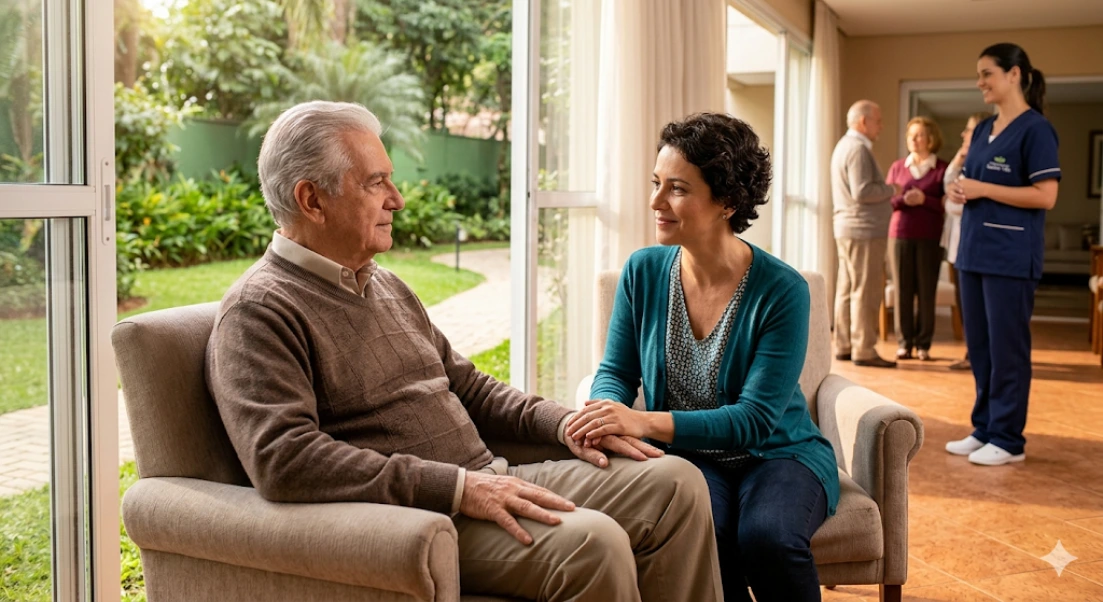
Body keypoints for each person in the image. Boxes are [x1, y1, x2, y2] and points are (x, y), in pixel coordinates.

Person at [205, 101, 723, 602]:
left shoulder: (387, 287)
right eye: (375, 182)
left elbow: (469, 387)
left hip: (493, 477)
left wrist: (565, 424)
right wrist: (457, 488)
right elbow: (285, 459)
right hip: (425, 519)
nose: (397, 199)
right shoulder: (259, 311)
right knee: (591, 545)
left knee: (675, 482)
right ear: (312, 200)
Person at [565, 113, 840, 602]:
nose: (655, 202)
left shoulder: (783, 290)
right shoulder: (643, 271)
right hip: (691, 458)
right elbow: (616, 372)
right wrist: (608, 414)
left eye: (677, 189)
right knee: (698, 535)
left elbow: (755, 420)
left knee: (768, 538)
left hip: (778, 454)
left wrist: (643, 422)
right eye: (656, 184)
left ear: (727, 202)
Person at [945, 43, 1060, 466]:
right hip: (973, 251)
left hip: (1011, 256)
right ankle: (985, 428)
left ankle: (1009, 439)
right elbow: (970, 181)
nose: (980, 83)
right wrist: (962, 188)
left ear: (1014, 75)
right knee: (980, 346)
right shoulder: (981, 130)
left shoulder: (1037, 130)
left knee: (1007, 347)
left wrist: (983, 188)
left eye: (987, 73)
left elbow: (1046, 196)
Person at [831, 100, 903, 368]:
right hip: (863, 230)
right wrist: (892, 189)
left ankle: (844, 345)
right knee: (866, 291)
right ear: (863, 121)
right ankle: (864, 349)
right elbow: (862, 192)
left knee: (848, 289)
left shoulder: (843, 146)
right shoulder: (858, 149)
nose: (881, 126)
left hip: (848, 228)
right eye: (878, 121)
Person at [886, 117, 948, 361]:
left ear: (930, 139)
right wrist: (904, 200)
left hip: (930, 237)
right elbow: (887, 199)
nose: (913, 139)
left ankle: (923, 345)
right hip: (899, 235)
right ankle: (904, 343)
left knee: (926, 291)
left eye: (919, 134)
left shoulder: (942, 169)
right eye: (911, 135)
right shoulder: (897, 167)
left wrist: (925, 200)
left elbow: (947, 204)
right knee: (903, 290)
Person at [942, 111, 993, 371]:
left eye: (968, 129)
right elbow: (948, 188)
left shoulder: (983, 163)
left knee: (978, 308)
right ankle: (972, 353)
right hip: (959, 247)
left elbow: (957, 205)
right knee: (967, 305)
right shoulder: (967, 160)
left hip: (975, 245)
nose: (963, 134)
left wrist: (950, 201)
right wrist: (959, 156)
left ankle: (978, 355)